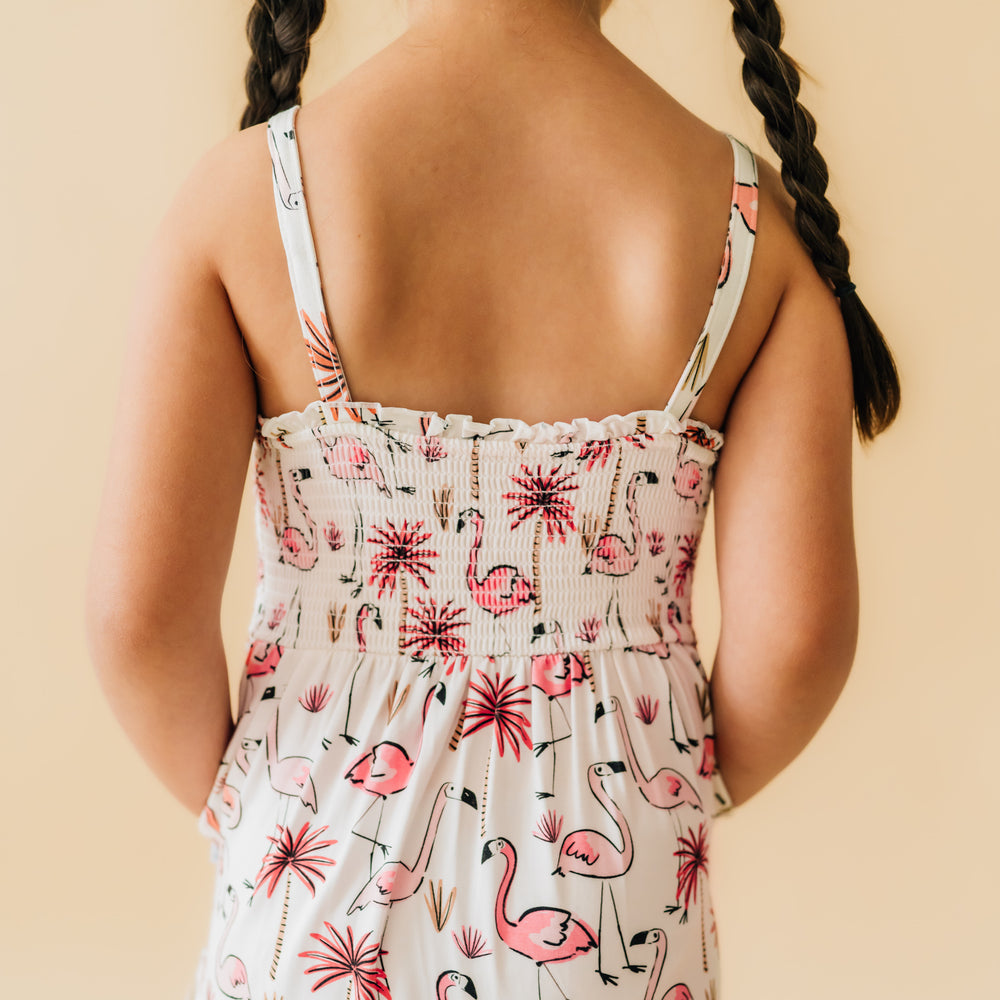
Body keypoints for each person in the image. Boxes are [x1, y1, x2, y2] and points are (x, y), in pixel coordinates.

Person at [85, 0, 900, 997]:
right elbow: (800, 637)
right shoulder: (754, 231)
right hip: (616, 887)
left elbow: (138, 619)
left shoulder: (246, 196)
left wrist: (253, 799)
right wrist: (671, 788)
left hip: (312, 874)